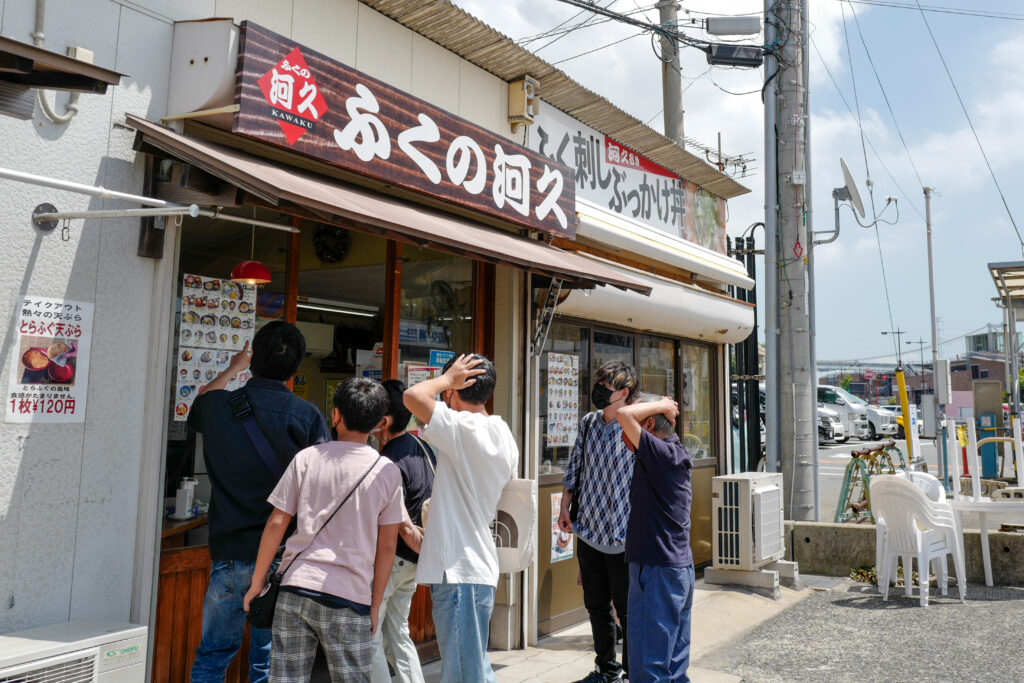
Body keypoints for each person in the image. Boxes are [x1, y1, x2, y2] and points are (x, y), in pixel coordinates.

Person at [188, 320, 330, 683]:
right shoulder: (307, 416)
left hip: (229, 552)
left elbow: (202, 401)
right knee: (270, 660)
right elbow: (320, 489)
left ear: (252, 361)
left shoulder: (219, 405)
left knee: (213, 655)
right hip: (283, 559)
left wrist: (232, 368)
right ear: (295, 367)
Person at [243, 377, 406, 682]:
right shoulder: (388, 472)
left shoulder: (307, 459)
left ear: (335, 415)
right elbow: (387, 546)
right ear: (380, 423)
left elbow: (277, 522)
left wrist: (257, 583)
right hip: (350, 595)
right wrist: (375, 604)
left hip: (296, 589)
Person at [403, 354, 518, 683]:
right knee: (474, 668)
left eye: (448, 388)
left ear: (455, 390)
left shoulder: (462, 428)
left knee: (463, 674)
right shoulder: (501, 432)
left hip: (458, 572)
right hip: (477, 566)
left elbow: (412, 396)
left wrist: (446, 379)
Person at [558, 361, 639, 683]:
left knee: (628, 610)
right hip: (589, 529)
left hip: (624, 534)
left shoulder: (636, 425)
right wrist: (564, 506)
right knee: (596, 606)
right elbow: (574, 466)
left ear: (624, 393)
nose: (599, 392)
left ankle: (634, 673)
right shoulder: (590, 423)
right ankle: (607, 670)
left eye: (606, 388)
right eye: (599, 385)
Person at [617, 394, 691, 683]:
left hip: (658, 568)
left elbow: (624, 414)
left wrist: (662, 405)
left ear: (648, 423)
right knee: (672, 665)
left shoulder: (660, 453)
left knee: (650, 665)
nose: (624, 436)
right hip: (671, 568)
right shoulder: (669, 453)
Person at [370, 379, 436, 683]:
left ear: (382, 421)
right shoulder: (424, 447)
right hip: (416, 557)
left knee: (369, 635)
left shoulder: (387, 461)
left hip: (392, 559)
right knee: (397, 632)